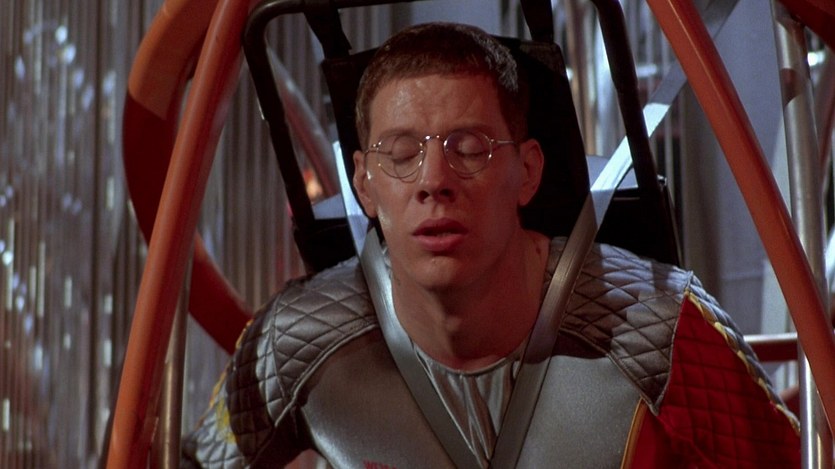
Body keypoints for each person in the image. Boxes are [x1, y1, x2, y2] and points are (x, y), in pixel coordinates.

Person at [183, 22, 800, 468]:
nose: (433, 181)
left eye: (470, 149)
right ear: (363, 183)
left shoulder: (661, 327)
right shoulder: (295, 339)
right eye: (401, 153)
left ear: (528, 172)